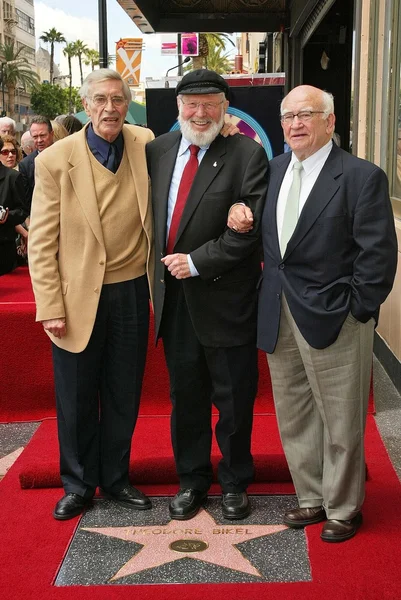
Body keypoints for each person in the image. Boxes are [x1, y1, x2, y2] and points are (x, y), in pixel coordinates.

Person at [229, 85, 397, 541]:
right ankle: (311, 497)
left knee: (341, 418)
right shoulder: (276, 168)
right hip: (279, 311)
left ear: (330, 120)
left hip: (337, 315)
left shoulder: (362, 176)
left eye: (307, 114)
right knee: (295, 412)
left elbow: (378, 256)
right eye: (288, 116)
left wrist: (356, 309)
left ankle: (343, 507)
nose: (296, 124)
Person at [28, 69, 155, 521]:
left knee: (124, 392)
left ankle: (117, 478)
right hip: (76, 295)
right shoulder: (55, 159)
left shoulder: (145, 143)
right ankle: (79, 485)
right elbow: (41, 240)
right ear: (85, 104)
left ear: (127, 103)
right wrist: (50, 306)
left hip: (131, 289)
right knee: (77, 396)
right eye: (100, 99)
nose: (109, 108)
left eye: (118, 99)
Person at [146, 69, 269, 521]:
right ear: (178, 107)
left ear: (225, 108)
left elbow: (249, 234)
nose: (201, 113)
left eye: (210, 104)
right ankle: (192, 480)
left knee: (234, 400)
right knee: (186, 399)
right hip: (174, 304)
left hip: (225, 300)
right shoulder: (155, 151)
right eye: (192, 103)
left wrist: (195, 262)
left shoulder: (246, 154)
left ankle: (235, 482)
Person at [0, 137, 28, 276]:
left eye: (12, 151)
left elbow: (22, 210)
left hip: (3, 246)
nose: (10, 155)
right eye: (5, 152)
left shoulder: (13, 177)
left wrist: (7, 216)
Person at [18, 116, 54, 215]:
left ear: (52, 134)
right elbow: (27, 201)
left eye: (43, 135)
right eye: (35, 137)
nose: (39, 140)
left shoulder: (65, 155)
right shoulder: (25, 165)